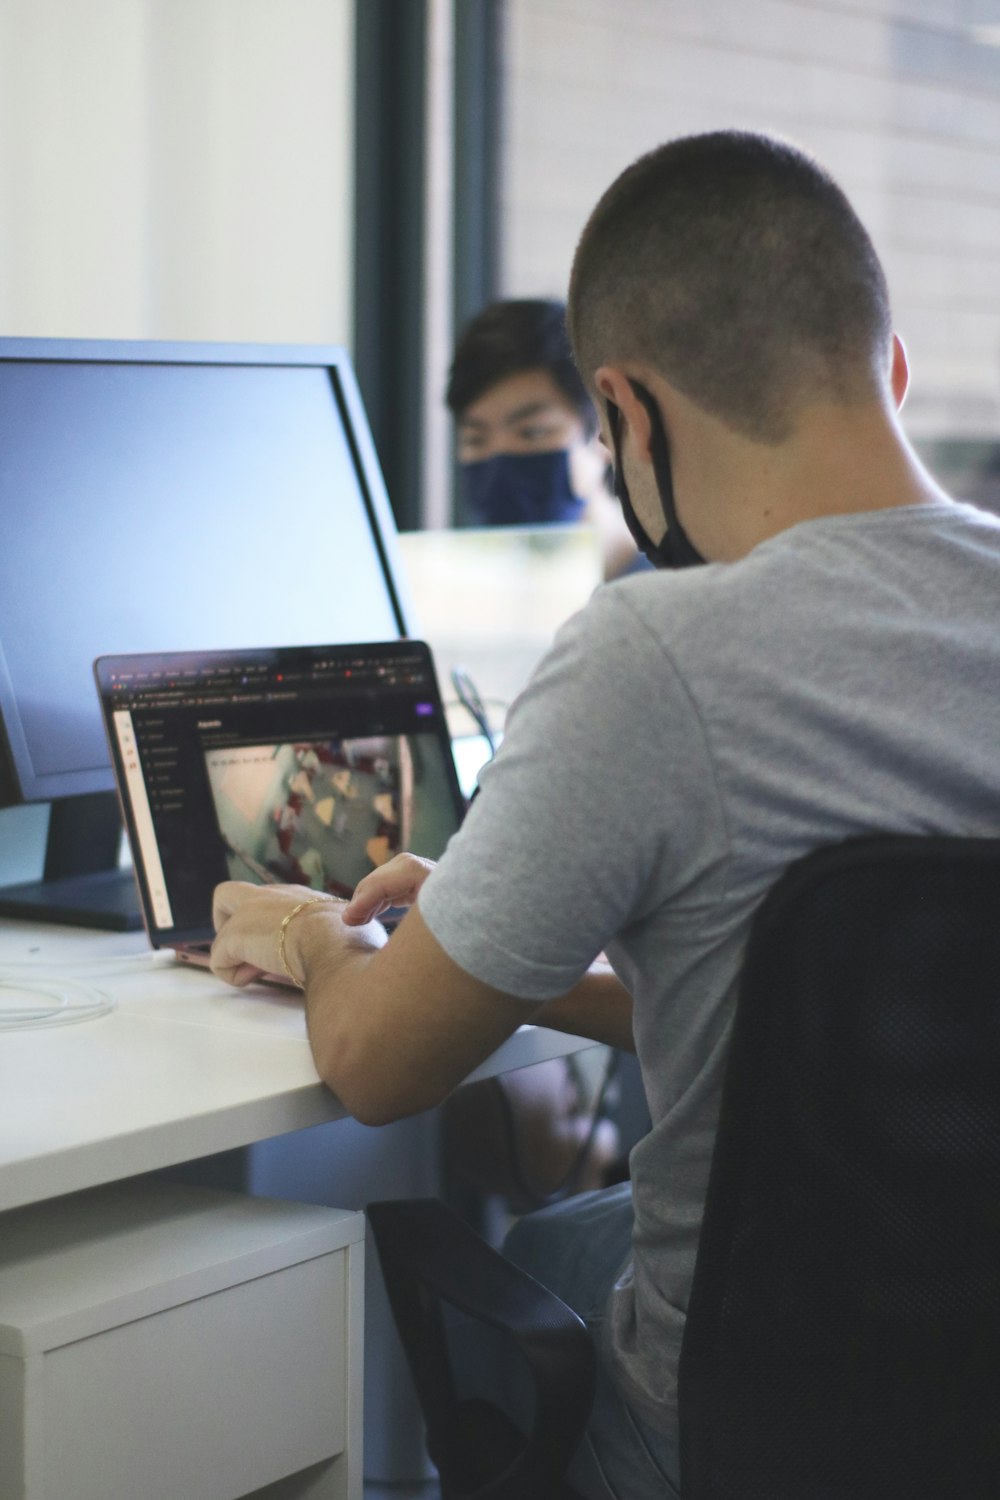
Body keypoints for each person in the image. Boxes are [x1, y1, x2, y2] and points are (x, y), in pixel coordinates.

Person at [209, 130, 1000, 1498]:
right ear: (896, 365)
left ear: (624, 414)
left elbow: (384, 1069)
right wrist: (537, 977)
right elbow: (874, 1008)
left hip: (738, 1431)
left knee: (540, 1260)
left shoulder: (656, 652)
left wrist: (311, 933)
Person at [447, 296, 639, 578]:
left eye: (532, 432)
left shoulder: (668, 602)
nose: (501, 454)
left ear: (605, 432)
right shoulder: (457, 597)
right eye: (476, 439)